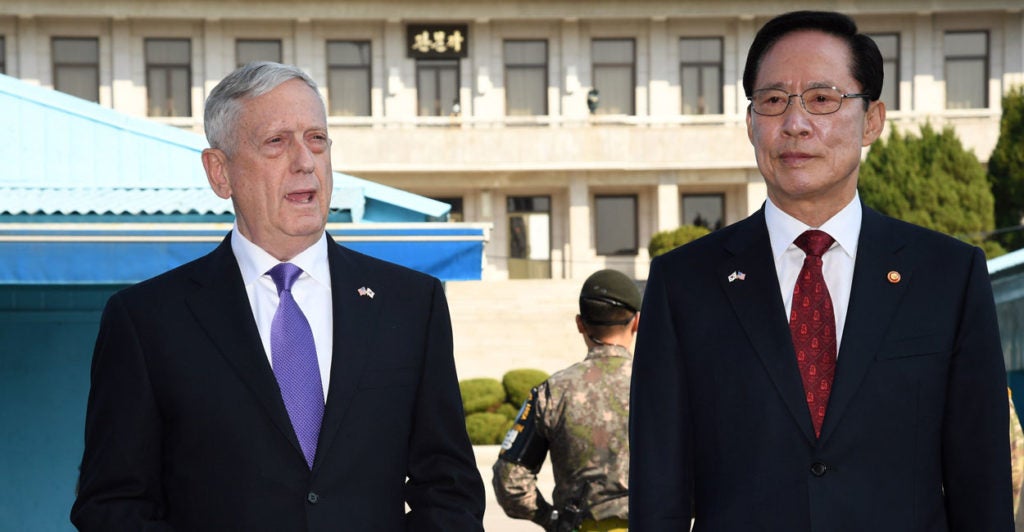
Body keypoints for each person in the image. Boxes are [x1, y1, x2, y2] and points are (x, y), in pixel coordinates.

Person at [629, 11, 1013, 531]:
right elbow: (658, 493)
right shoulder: (683, 284)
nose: (795, 123)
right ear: (750, 124)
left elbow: (981, 483)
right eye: (773, 101)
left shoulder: (948, 275)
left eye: (822, 98)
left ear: (872, 120)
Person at [70, 62, 485, 531]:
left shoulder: (410, 304)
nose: (305, 161)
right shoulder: (147, 321)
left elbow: (450, 489)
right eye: (277, 141)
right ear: (220, 172)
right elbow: (112, 506)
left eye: (316, 139)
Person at [492, 269, 639, 532]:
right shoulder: (663, 386)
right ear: (637, 322)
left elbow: (510, 480)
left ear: (580, 324)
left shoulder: (553, 391)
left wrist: (551, 519)